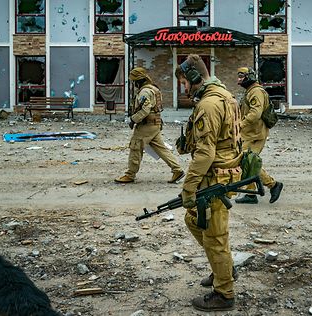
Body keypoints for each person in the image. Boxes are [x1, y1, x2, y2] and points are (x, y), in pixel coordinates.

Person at [175, 54, 241, 312]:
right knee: (194, 220)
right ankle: (222, 267)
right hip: (223, 174)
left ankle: (224, 294)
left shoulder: (209, 104)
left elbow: (205, 153)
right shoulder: (225, 96)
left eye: (184, 82)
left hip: (214, 177)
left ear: (194, 78)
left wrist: (188, 187)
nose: (184, 88)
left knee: (215, 237)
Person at [115, 67, 185, 184]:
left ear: (139, 80)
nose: (134, 84)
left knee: (135, 147)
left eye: (134, 81)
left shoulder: (145, 92)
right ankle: (177, 169)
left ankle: (130, 174)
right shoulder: (153, 88)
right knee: (160, 148)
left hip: (146, 125)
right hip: (155, 124)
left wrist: (133, 119)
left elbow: (145, 109)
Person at [235, 67, 283, 204]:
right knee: (246, 163)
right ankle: (250, 194)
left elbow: (255, 114)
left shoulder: (256, 92)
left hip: (255, 135)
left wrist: (240, 125)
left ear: (249, 77)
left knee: (248, 161)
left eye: (241, 76)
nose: (238, 80)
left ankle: (273, 185)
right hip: (249, 134)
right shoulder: (250, 92)